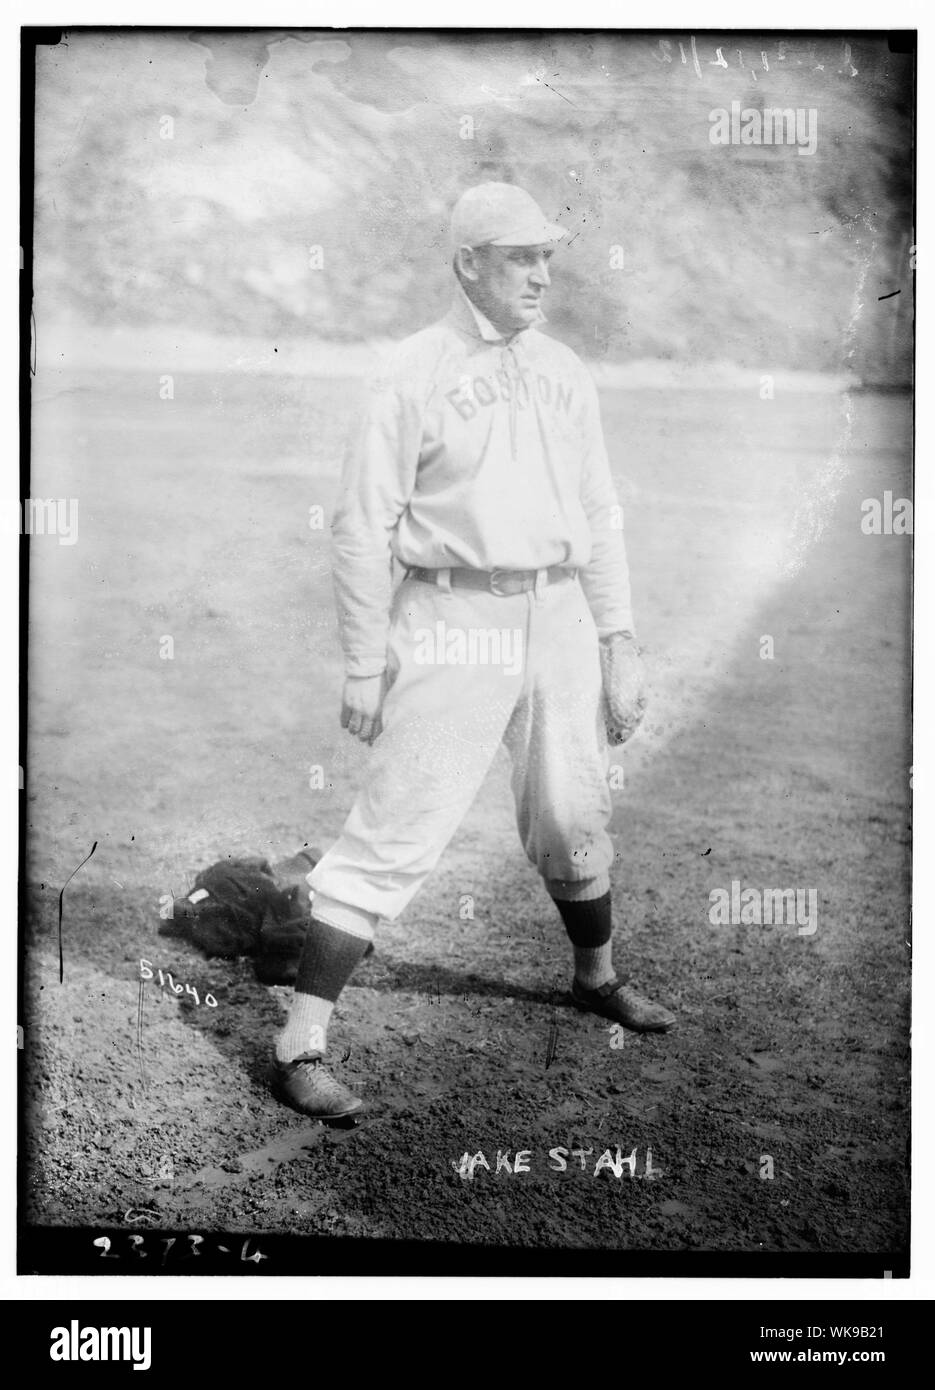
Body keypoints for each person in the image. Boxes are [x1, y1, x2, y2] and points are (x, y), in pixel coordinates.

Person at [270, 182, 676, 1120]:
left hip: (561, 615)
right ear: (467, 264)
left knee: (571, 810)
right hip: (453, 617)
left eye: (547, 256)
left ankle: (595, 975)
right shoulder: (410, 369)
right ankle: (299, 1045)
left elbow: (600, 513)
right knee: (399, 824)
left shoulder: (566, 369)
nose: (541, 273)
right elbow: (360, 526)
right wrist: (365, 662)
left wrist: (619, 642)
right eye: (518, 257)